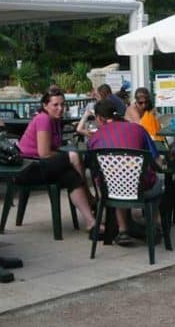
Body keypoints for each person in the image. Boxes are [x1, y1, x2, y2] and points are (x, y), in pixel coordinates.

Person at [15, 88, 96, 231]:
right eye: (55, 105)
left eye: (62, 104)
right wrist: (67, 157)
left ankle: (91, 221)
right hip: (28, 168)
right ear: (45, 106)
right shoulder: (43, 119)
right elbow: (44, 153)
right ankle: (89, 198)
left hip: (41, 165)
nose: (60, 108)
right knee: (74, 156)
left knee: (71, 176)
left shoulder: (55, 121)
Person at [86, 100, 161, 246]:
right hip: (140, 187)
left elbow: (92, 167)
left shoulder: (94, 138)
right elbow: (156, 160)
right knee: (159, 180)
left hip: (111, 190)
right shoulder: (138, 129)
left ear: (99, 118)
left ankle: (123, 230)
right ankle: (154, 225)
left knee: (114, 177)